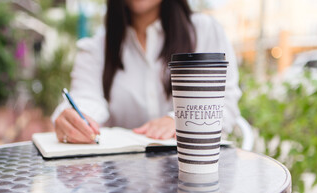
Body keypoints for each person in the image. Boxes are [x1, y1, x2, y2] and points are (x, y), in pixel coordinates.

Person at [52, 0, 241, 144]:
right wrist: (76, 120)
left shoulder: (204, 31)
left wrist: (177, 120)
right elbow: (86, 99)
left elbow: (225, 102)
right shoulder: (95, 49)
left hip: (195, 174)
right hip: (120, 183)